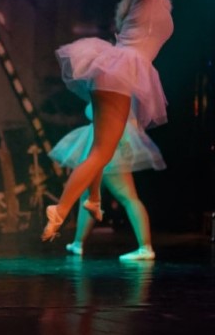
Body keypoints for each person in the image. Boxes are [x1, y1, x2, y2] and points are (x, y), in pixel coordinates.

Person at [43, 0, 175, 241]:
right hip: (120, 70)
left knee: (102, 147)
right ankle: (60, 210)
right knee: (102, 150)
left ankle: (92, 199)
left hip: (116, 70)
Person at [49, 104, 164, 260]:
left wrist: (125, 144)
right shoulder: (107, 95)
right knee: (88, 198)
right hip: (99, 151)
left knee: (129, 198)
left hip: (108, 153)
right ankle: (78, 243)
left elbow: (118, 119)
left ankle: (145, 247)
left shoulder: (112, 95)